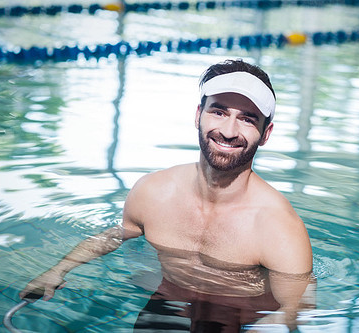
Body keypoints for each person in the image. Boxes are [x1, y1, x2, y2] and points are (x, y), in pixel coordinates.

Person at [20, 59, 314, 331]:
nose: (228, 130)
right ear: (199, 115)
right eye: (219, 111)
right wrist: (58, 269)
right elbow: (117, 234)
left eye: (247, 119)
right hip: (166, 304)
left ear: (266, 133)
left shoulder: (278, 226)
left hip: (235, 318)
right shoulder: (153, 192)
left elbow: (297, 305)